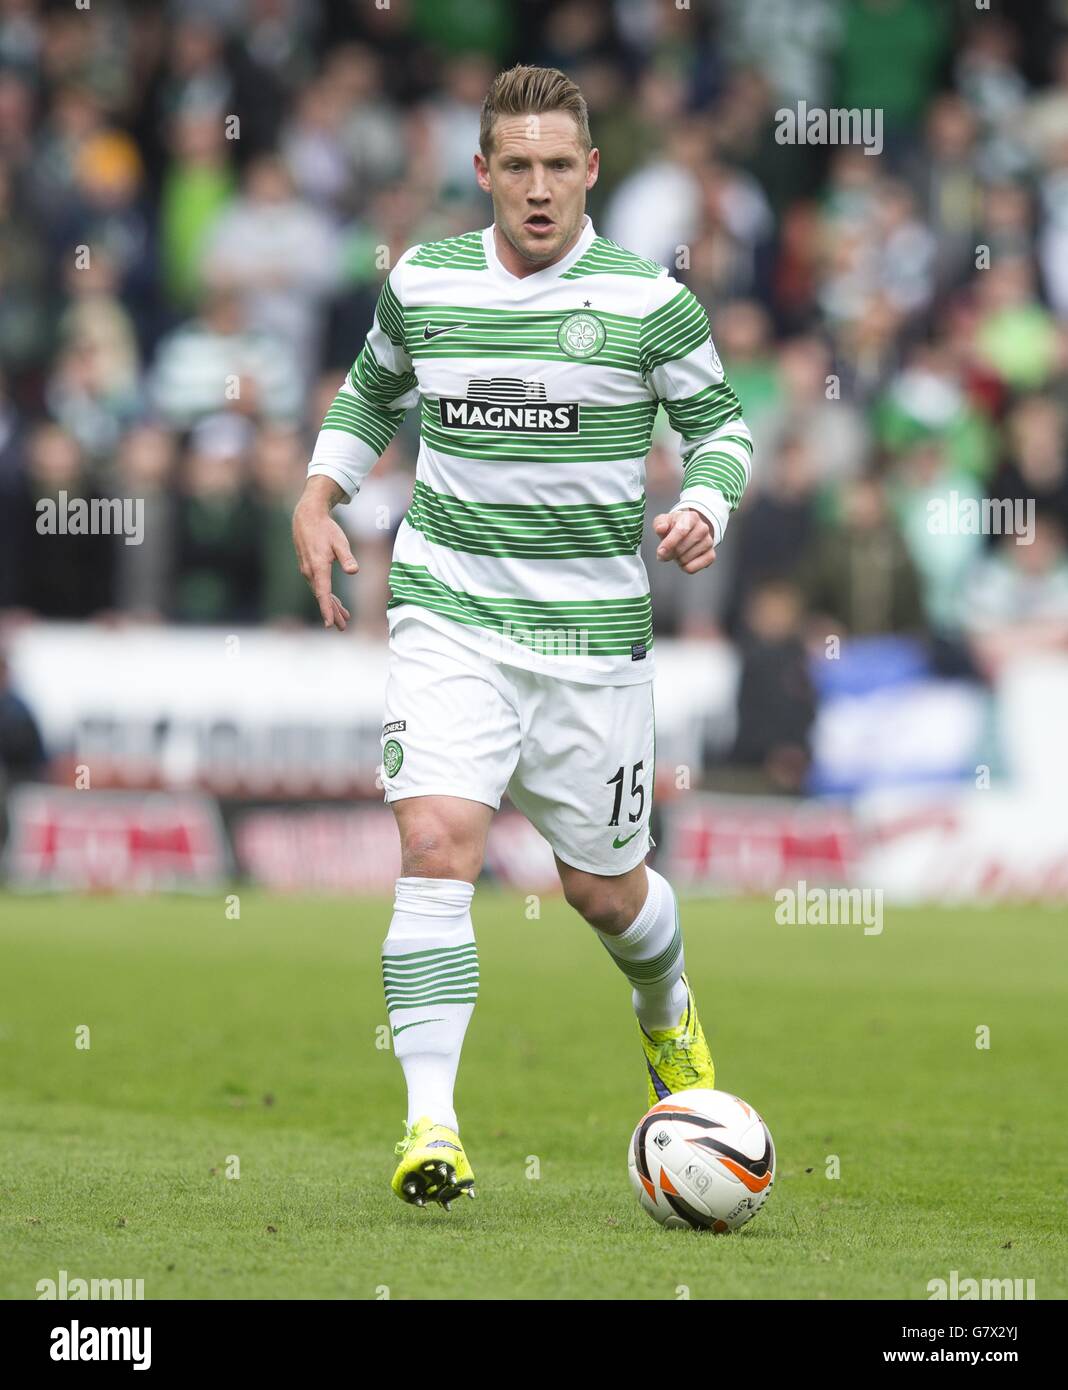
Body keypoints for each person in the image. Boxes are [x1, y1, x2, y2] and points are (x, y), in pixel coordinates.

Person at [291, 66, 753, 1210]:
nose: (539, 188)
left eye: (560, 166)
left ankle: (668, 1013)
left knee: (606, 895)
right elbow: (370, 393)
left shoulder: (650, 301)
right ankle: (431, 1128)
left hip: (593, 647)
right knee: (438, 841)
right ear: (484, 171)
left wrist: (706, 503)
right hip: (452, 616)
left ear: (590, 171)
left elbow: (723, 427)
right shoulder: (429, 282)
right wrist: (320, 488)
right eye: (518, 166)